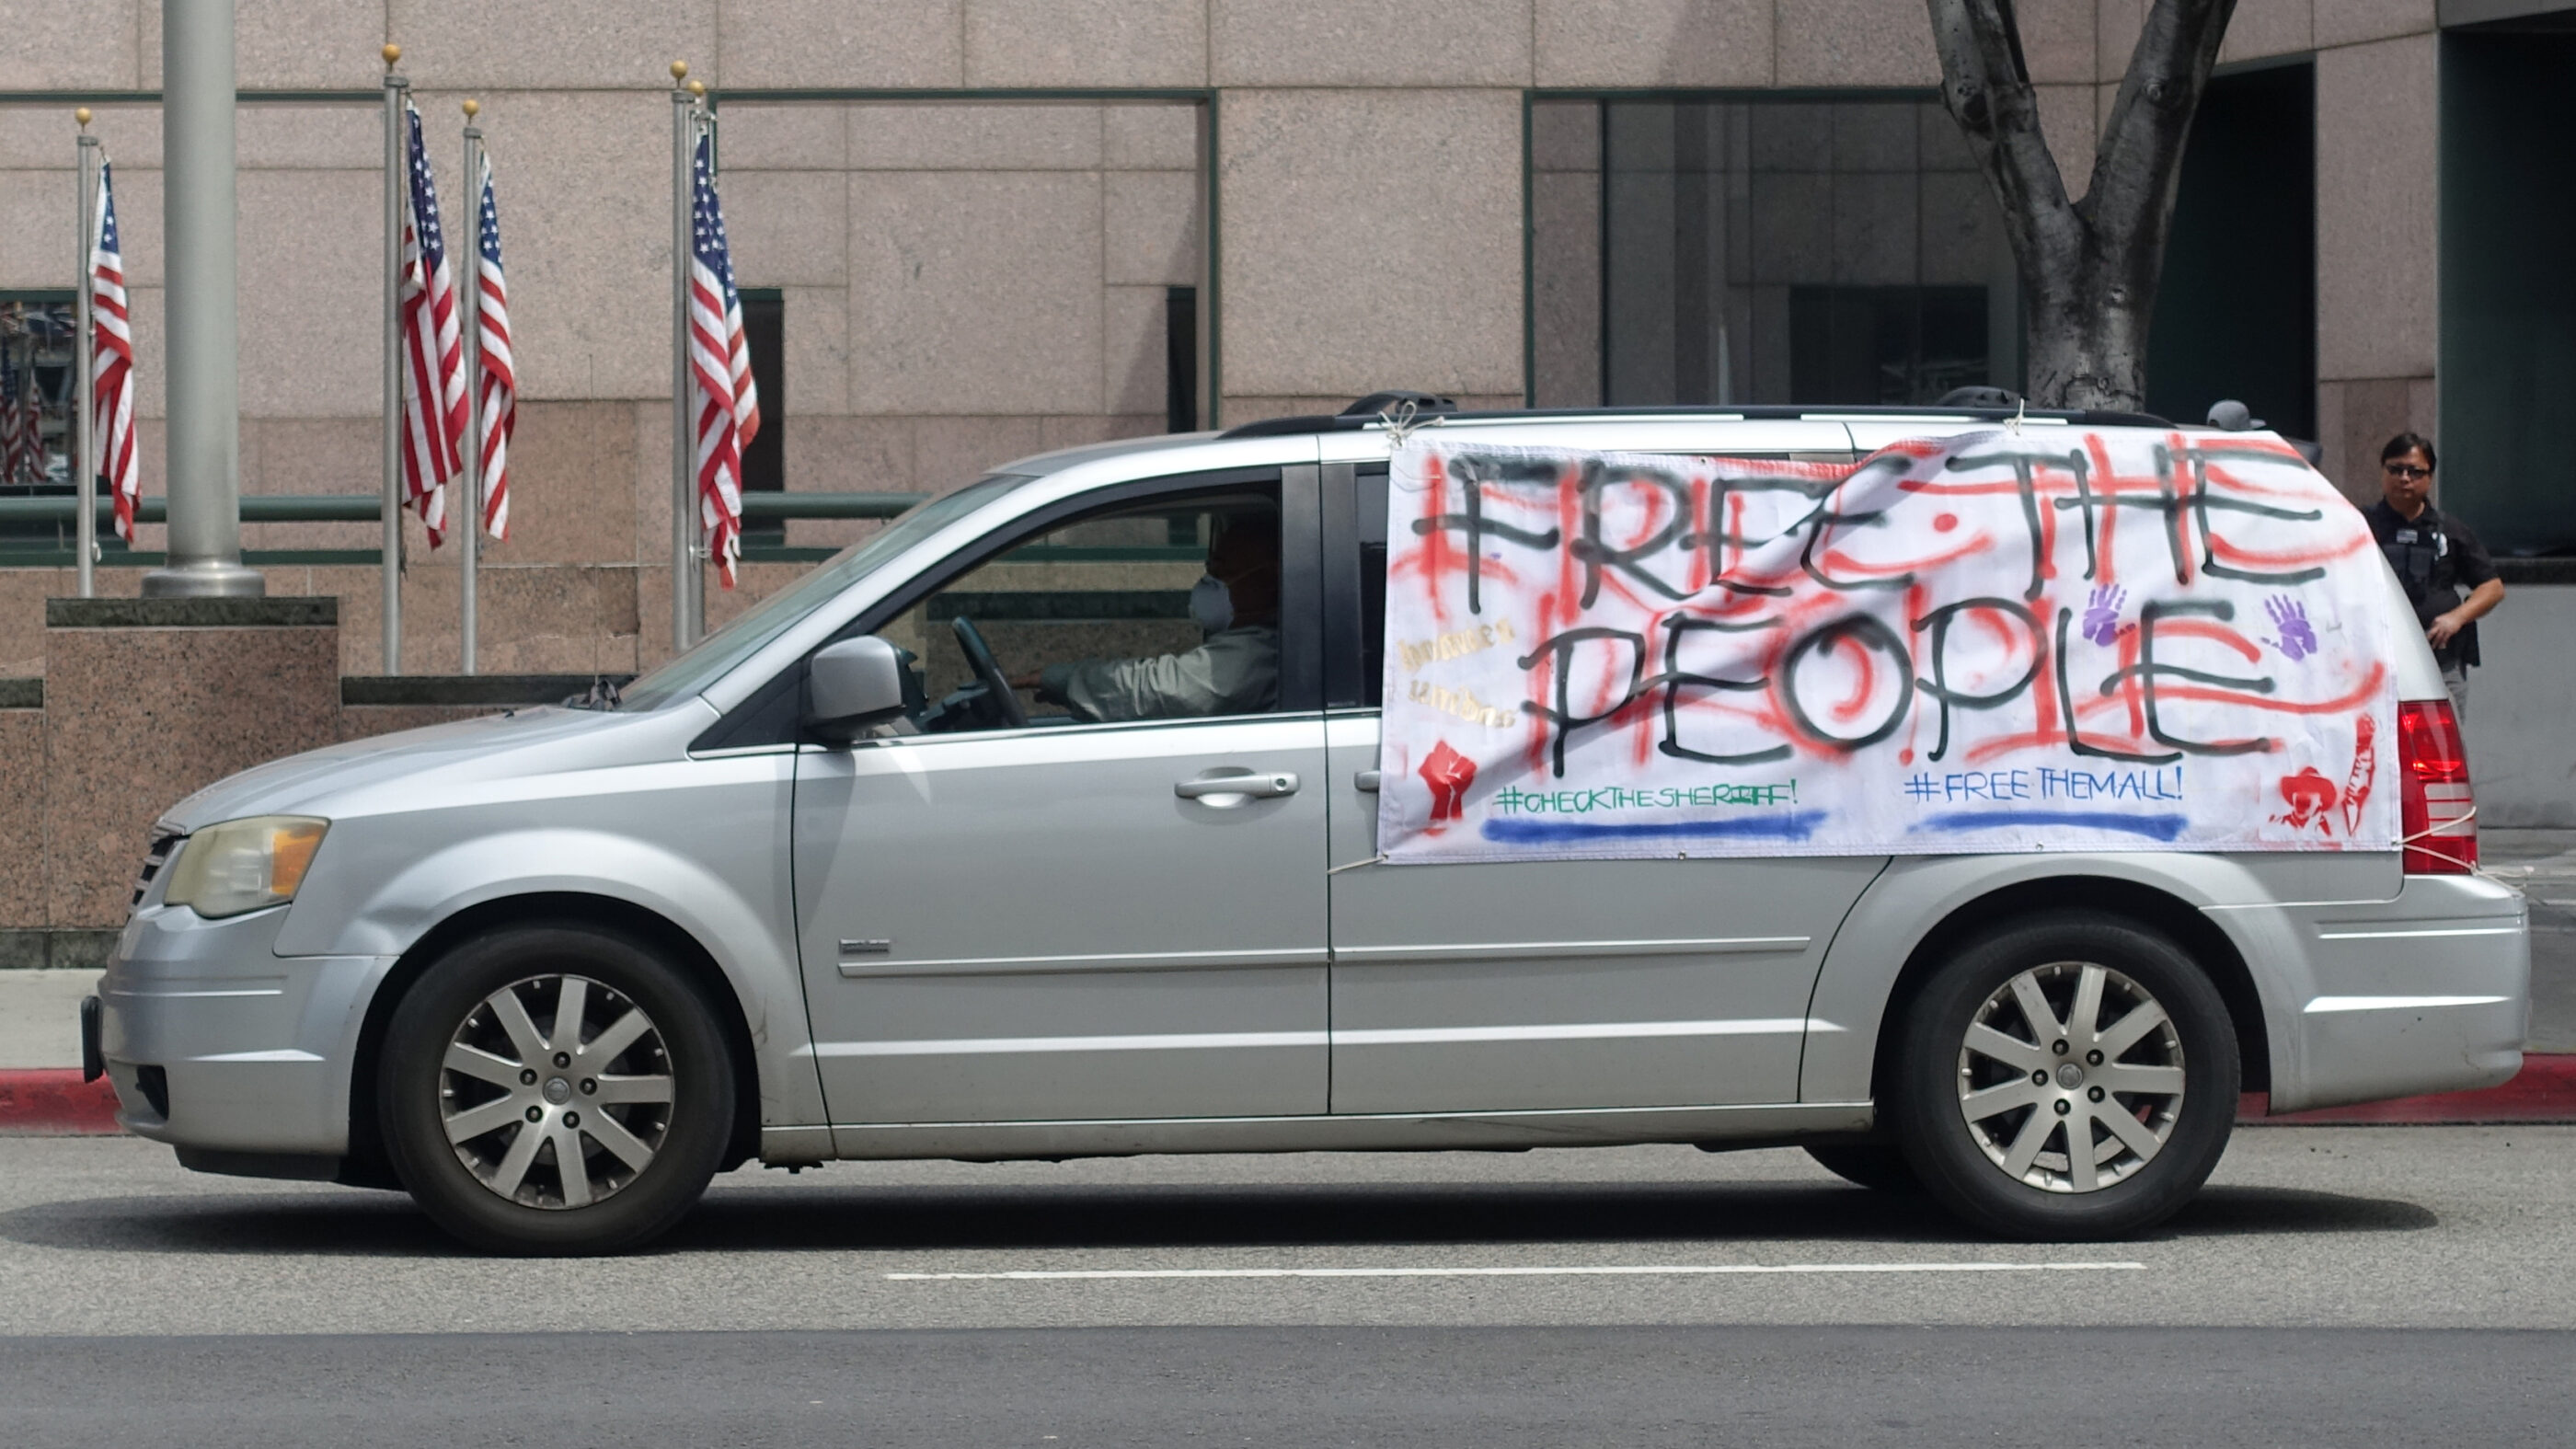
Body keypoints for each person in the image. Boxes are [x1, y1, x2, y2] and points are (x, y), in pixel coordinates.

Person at [1009, 512, 1282, 723]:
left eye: (1224, 571)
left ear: (1270, 582)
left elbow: (1167, 691)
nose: (1210, 582)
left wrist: (1064, 679)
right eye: (1210, 569)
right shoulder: (1254, 638)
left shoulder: (1264, 652)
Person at [2363, 432, 2502, 719]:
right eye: (2396, 469)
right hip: (2374, 660)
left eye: (2415, 471)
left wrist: (2457, 617)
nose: (2404, 478)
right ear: (2382, 471)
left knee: (2442, 746)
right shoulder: (2360, 525)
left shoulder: (2450, 529)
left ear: (2429, 477)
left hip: (2440, 661)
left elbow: (2492, 587)